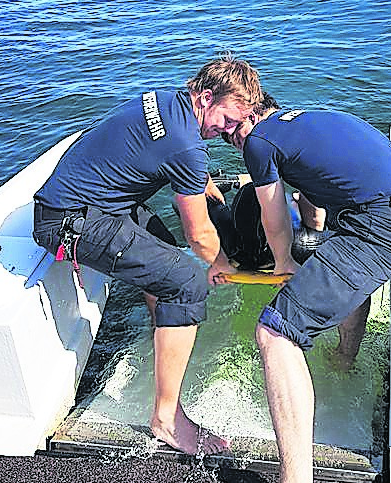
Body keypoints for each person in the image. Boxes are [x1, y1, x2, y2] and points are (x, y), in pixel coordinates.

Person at [220, 100, 391, 483]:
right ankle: (344, 358)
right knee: (339, 258)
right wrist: (316, 260)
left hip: (385, 222)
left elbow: (274, 217)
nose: (232, 139)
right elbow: (315, 210)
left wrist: (284, 266)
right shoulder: (308, 120)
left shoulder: (259, 141)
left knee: (275, 334)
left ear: (251, 114)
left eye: (231, 131)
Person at [32, 54, 262, 456]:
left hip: (85, 201)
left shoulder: (169, 101)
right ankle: (168, 419)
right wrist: (223, 266)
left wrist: (209, 191)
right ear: (206, 97)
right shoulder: (187, 146)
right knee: (187, 281)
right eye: (227, 120)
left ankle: (165, 333)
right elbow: (198, 234)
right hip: (69, 221)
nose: (227, 131)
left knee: (163, 255)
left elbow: (182, 163)